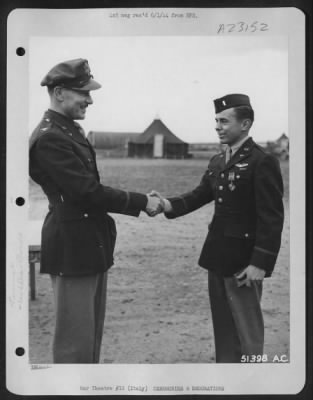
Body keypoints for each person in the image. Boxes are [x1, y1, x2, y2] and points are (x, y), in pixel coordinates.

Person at [29, 58, 162, 363]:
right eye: (82, 92)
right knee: (74, 347)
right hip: (72, 246)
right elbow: (86, 192)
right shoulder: (51, 137)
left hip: (87, 242)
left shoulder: (68, 131)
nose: (90, 99)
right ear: (59, 92)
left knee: (89, 340)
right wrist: (142, 202)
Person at [150, 94, 284, 363]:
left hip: (244, 262)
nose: (217, 126)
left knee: (247, 329)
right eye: (216, 121)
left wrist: (260, 262)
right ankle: (227, 376)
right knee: (224, 328)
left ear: (245, 124)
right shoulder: (217, 161)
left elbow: (272, 217)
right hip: (217, 255)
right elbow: (199, 195)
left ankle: (251, 379)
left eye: (224, 121)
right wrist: (166, 204)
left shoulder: (261, 161)